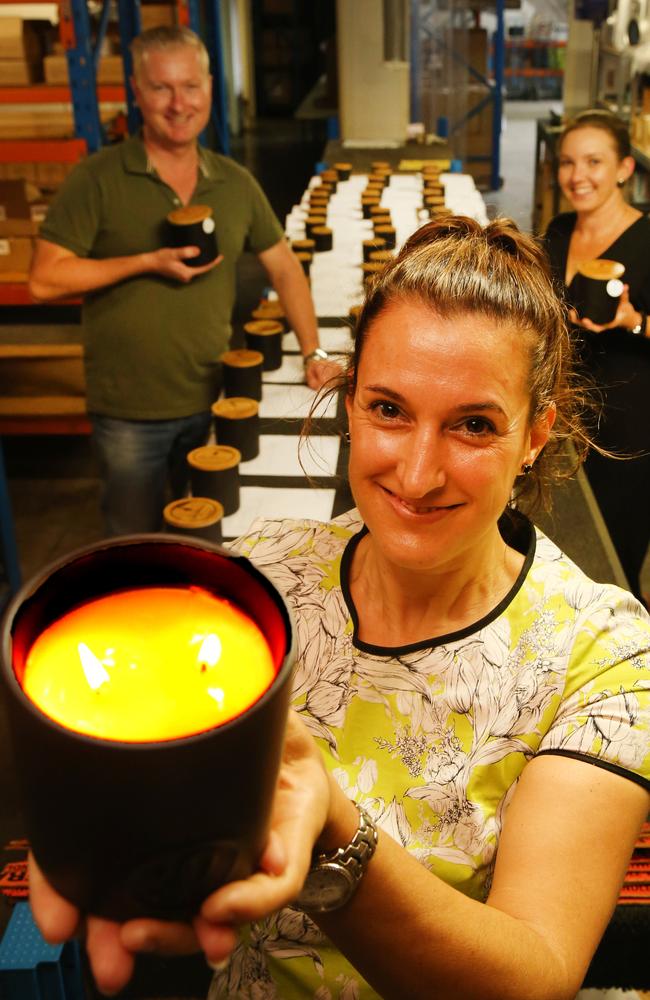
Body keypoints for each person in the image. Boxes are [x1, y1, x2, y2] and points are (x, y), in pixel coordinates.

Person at [29, 217, 650, 1000]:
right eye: (389, 409)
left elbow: (535, 973)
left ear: (537, 433)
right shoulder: (267, 579)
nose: (418, 473)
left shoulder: (603, 657)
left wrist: (335, 839)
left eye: (473, 425)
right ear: (350, 401)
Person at [28, 26, 339, 537]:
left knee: (209, 540)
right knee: (136, 545)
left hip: (216, 398)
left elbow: (284, 266)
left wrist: (313, 353)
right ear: (136, 90)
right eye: (161, 88)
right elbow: (44, 280)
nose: (178, 104)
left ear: (210, 89)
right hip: (131, 412)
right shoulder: (99, 178)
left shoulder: (233, 182)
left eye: (190, 87)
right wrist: (147, 261)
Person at [544, 109, 650, 605]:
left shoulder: (647, 239)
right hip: (562, 420)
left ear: (625, 168)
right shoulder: (560, 231)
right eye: (567, 162)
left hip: (628, 432)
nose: (577, 176)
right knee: (558, 551)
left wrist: (633, 321)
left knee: (611, 563)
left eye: (594, 162)